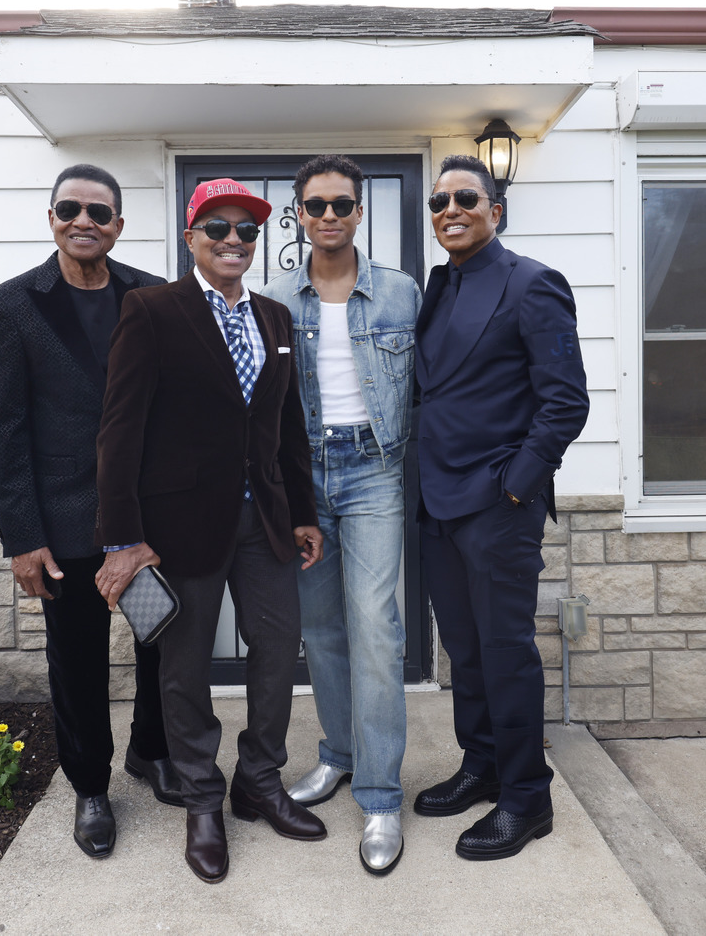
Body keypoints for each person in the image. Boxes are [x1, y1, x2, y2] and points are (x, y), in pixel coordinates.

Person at [94, 178, 327, 884]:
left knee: (279, 645)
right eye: (218, 227)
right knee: (185, 667)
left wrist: (304, 512)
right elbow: (120, 428)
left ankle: (258, 777)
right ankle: (202, 799)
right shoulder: (151, 310)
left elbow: (287, 426)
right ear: (191, 236)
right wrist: (121, 537)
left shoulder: (275, 318)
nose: (234, 239)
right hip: (180, 525)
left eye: (247, 230)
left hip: (265, 521)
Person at [0, 163, 181, 861]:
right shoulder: (12, 306)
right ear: (53, 218)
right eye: (70, 208)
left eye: (99, 211)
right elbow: (3, 432)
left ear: (118, 225)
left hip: (142, 526)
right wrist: (23, 536)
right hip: (64, 531)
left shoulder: (152, 295)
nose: (83, 220)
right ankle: (91, 786)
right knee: (79, 660)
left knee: (160, 640)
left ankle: (152, 753)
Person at [412, 154, 590, 861]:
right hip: (437, 502)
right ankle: (481, 764)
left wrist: (515, 484)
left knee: (507, 653)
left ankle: (526, 797)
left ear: (496, 209)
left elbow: (566, 400)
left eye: (465, 197)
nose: (449, 209)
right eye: (438, 201)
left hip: (496, 503)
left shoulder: (532, 283)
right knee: (465, 649)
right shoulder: (441, 284)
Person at [261, 155, 420, 876]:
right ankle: (339, 755)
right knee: (321, 628)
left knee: (376, 627)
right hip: (306, 478)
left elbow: (429, 391)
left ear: (360, 213)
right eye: (316, 205)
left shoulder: (400, 293)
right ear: (299, 214)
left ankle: (382, 794)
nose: (329, 216)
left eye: (341, 205)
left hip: (374, 472)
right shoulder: (272, 302)